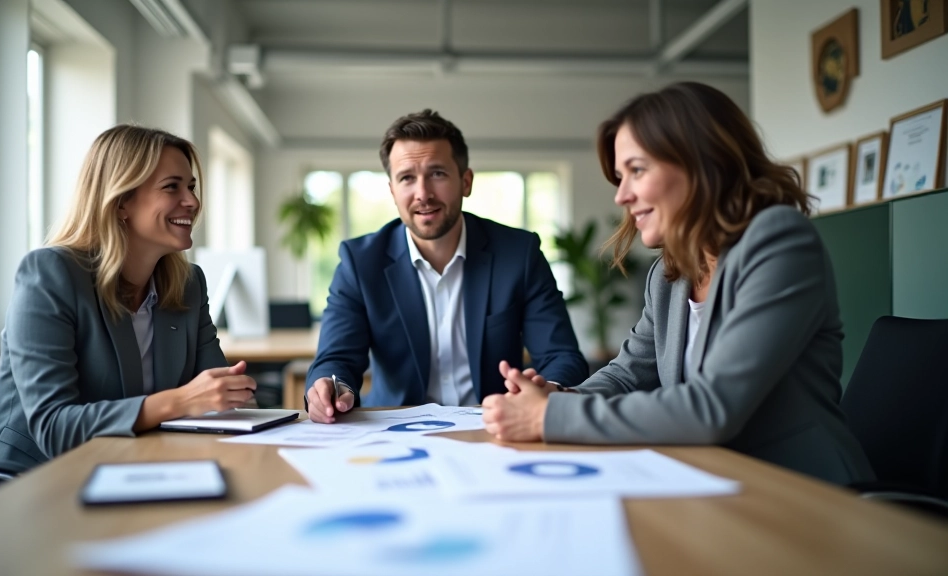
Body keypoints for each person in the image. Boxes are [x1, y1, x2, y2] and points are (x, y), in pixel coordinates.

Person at [481, 83, 874, 485]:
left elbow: (713, 407)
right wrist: (561, 396)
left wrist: (548, 416)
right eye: (619, 177)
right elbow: (626, 376)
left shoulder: (779, 242)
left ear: (701, 162)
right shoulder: (669, 275)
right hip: (714, 480)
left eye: (637, 170)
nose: (621, 196)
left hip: (803, 489)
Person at [0, 125, 256, 492]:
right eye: (172, 187)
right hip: (29, 488)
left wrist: (232, 396)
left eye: (192, 187)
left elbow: (219, 398)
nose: (193, 202)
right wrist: (179, 401)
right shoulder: (50, 275)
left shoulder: (187, 284)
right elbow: (54, 428)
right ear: (121, 202)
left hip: (132, 473)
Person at [306, 109, 587, 423]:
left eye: (437, 173)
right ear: (393, 190)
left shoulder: (519, 253)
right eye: (407, 178)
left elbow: (561, 356)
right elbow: (337, 358)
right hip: (394, 428)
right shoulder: (360, 262)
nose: (423, 194)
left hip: (495, 425)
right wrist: (331, 388)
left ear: (466, 181)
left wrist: (548, 389)